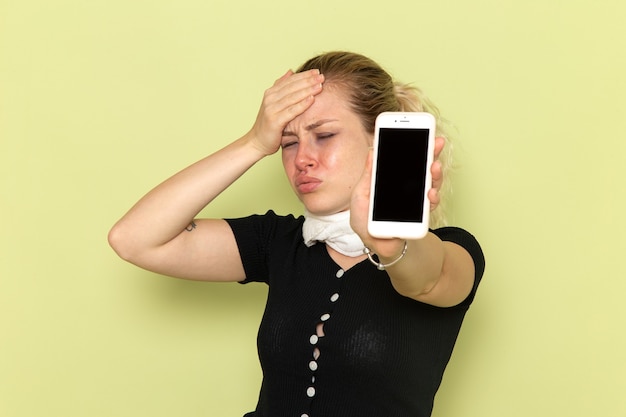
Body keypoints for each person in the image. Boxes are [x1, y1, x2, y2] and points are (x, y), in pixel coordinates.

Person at [108, 51, 485, 417]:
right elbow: (134, 239)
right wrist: (254, 142)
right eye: (288, 143)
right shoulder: (278, 241)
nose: (302, 158)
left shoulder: (455, 250)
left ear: (379, 141)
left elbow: (424, 279)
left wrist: (388, 241)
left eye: (324, 135)